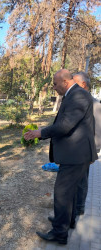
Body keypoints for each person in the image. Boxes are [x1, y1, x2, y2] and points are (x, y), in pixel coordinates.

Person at [24, 69, 97, 244]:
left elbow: (64, 126)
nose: (54, 88)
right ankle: (66, 222)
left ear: (65, 82)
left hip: (76, 155)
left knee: (62, 193)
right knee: (69, 192)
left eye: (55, 84)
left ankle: (59, 233)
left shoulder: (78, 96)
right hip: (76, 154)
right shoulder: (74, 95)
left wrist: (40, 133)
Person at [73, 72, 101, 215]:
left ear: (83, 84)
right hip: (76, 150)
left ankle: (80, 208)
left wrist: (93, 152)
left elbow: (99, 130)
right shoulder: (79, 102)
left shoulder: (95, 104)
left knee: (82, 180)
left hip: (87, 151)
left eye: (75, 83)